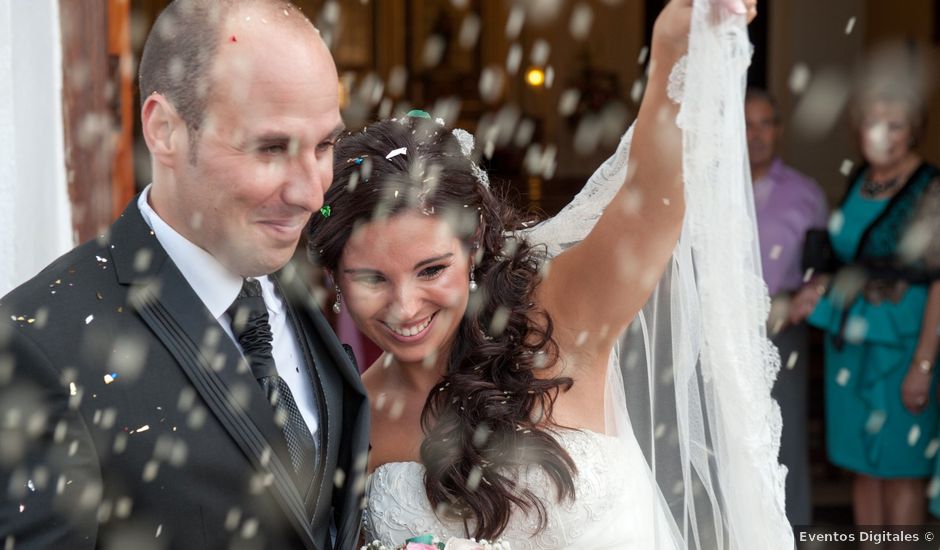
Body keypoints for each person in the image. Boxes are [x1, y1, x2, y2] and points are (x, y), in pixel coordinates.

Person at [309, 1, 790, 548]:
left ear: (474, 248)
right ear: (335, 280)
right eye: (372, 278)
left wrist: (673, 49)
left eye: (431, 269)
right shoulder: (351, 417)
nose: (405, 305)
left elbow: (650, 198)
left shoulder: (558, 319)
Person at [0, 1, 369, 548]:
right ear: (165, 130)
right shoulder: (36, 346)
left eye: (324, 146)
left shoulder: (284, 282)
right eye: (271, 148)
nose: (312, 193)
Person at [801, 85, 940, 526]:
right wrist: (819, 288)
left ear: (913, 131)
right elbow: (853, 260)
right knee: (861, 467)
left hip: (903, 345)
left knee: (901, 470)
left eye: (895, 125)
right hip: (850, 340)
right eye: (872, 122)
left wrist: (923, 365)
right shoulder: (861, 178)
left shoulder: (930, 188)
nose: (883, 134)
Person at [745, 87, 828, 525]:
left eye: (764, 123)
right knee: (731, 431)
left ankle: (792, 529)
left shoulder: (806, 193)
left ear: (778, 131)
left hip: (783, 325)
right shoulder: (713, 187)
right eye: (746, 124)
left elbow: (823, 267)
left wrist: (801, 300)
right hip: (724, 324)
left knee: (787, 433)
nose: (755, 134)